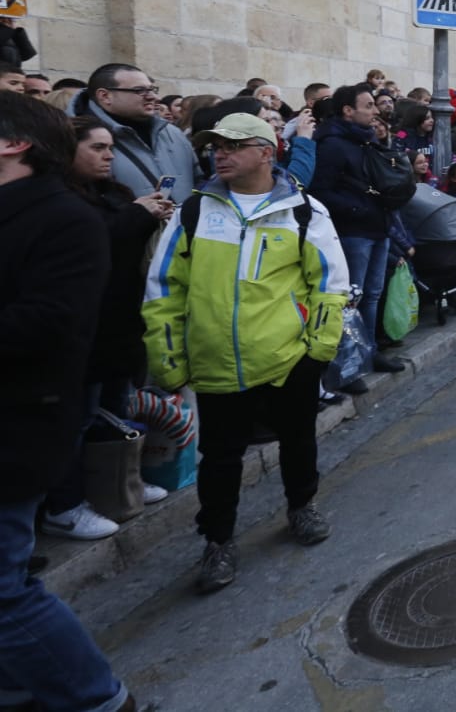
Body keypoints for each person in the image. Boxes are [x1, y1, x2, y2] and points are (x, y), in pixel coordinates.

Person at [144, 113, 349, 593]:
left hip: (287, 361)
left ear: (266, 151)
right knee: (219, 458)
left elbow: (329, 285)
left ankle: (302, 506)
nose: (220, 153)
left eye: (233, 145)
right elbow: (163, 289)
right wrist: (168, 358)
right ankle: (217, 541)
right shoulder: (194, 210)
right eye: (215, 145)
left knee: (298, 441)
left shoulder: (302, 210)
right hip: (216, 364)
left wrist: (317, 350)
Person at [0, 93, 139, 712]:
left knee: (3, 591)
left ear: (13, 143)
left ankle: (98, 701)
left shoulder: (64, 219)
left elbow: (47, 324)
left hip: (18, 422)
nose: (108, 158)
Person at [41, 118, 176, 542]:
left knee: (117, 410)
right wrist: (137, 214)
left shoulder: (112, 194)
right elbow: (94, 243)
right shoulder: (60, 200)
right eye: (97, 148)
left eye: (110, 148)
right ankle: (64, 505)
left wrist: (151, 214)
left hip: (120, 323)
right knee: (78, 419)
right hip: (86, 329)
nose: (108, 156)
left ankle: (119, 483)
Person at [309, 84, 393, 363]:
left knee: (373, 294)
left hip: (378, 226)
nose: (375, 110)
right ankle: (348, 360)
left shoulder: (365, 139)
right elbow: (320, 191)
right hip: (354, 231)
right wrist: (357, 208)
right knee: (350, 299)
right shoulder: (332, 143)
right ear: (348, 111)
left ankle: (369, 350)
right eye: (368, 105)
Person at [71, 63, 199, 202]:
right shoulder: (75, 138)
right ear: (105, 96)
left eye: (152, 89)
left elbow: (198, 181)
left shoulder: (173, 133)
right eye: (139, 90)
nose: (154, 97)